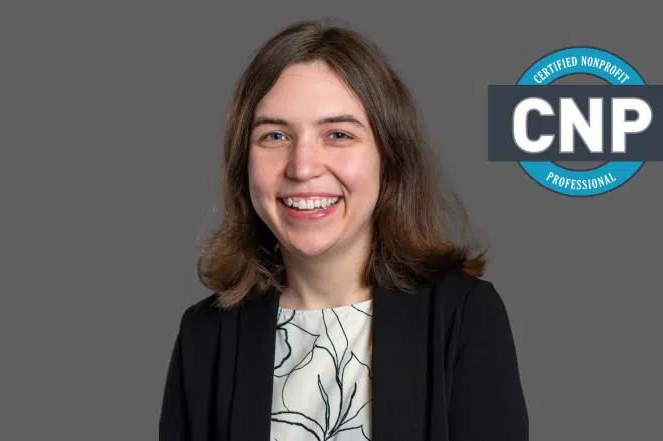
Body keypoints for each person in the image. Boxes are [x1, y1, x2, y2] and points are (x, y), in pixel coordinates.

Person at [159, 18, 529, 441]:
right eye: (275, 135)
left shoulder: (464, 316)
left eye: (337, 134)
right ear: (243, 162)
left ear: (388, 158)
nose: (302, 167)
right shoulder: (204, 335)